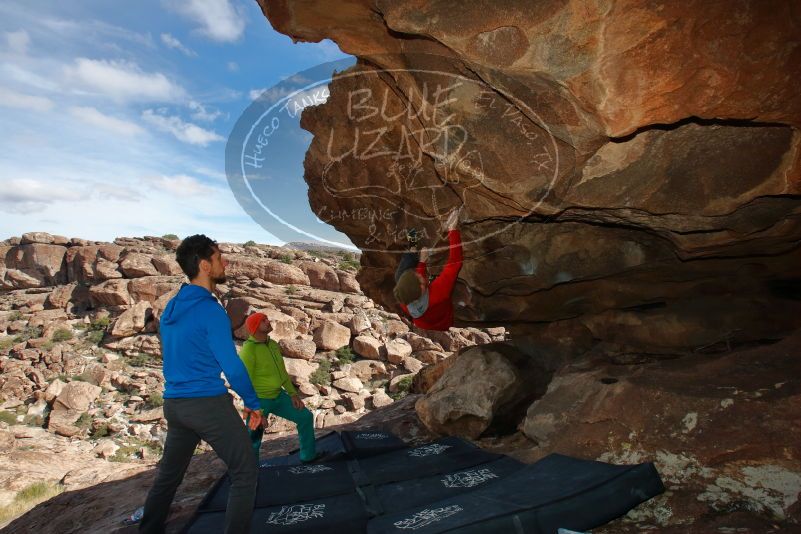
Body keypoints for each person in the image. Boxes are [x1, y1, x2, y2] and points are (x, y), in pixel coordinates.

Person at [140, 234, 263, 534]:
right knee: (245, 470)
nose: (226, 262)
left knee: (169, 477)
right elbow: (231, 365)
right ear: (205, 265)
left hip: (175, 404)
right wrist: (252, 403)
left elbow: (171, 352)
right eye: (220, 257)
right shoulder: (210, 310)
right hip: (206, 402)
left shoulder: (172, 306)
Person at [240, 312, 317, 462]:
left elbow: (282, 372)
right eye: (263, 320)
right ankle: (248, 472)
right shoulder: (248, 350)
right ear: (255, 327)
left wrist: (293, 394)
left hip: (278, 395)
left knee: (305, 417)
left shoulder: (272, 344)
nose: (268, 322)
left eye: (266, 318)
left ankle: (308, 457)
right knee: (252, 437)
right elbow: (244, 382)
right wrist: (256, 410)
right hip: (259, 400)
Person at [393, 209, 463, 331]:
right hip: (444, 321)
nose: (419, 274)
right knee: (401, 276)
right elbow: (455, 263)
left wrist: (422, 261)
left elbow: (414, 285)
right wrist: (452, 229)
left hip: (424, 322)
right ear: (421, 288)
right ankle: (412, 251)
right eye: (419, 278)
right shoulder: (438, 293)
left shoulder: (404, 300)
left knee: (398, 276)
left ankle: (413, 249)